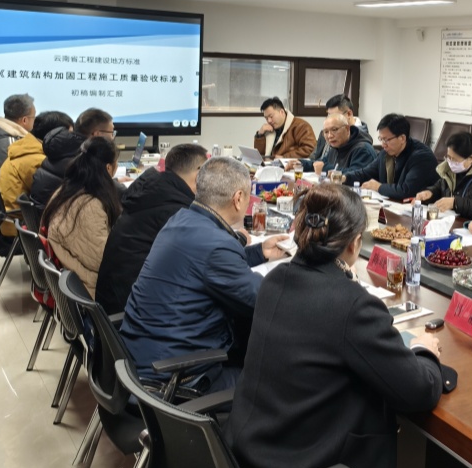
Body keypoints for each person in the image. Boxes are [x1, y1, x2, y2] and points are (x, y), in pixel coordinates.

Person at [223, 184, 444, 468]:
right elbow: (419, 391)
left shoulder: (275, 279)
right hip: (306, 465)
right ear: (355, 243)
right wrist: (425, 351)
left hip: (251, 454)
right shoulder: (353, 306)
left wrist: (346, 283)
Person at [119, 157, 290, 393]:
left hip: (142, 356)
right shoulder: (216, 245)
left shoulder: (181, 219)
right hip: (173, 377)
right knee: (279, 383)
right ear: (238, 198)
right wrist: (298, 278)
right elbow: (264, 299)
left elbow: (207, 265)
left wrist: (259, 252)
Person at [95, 143, 208, 315]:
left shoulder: (155, 193)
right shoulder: (174, 210)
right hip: (133, 313)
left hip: (117, 302)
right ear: (199, 174)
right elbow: (207, 257)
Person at [41, 137, 121, 298]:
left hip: (74, 283)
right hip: (91, 291)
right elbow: (104, 262)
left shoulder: (66, 191)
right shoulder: (89, 206)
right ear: (108, 168)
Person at [347, 113, 439, 200]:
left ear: (402, 138)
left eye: (386, 140)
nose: (383, 145)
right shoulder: (386, 153)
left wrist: (378, 187)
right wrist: (344, 178)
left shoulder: (421, 157)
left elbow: (406, 191)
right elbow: (365, 174)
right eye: (381, 139)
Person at [30, 107, 110, 206]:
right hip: (63, 213)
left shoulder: (55, 155)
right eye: (112, 133)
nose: (112, 138)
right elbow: (101, 191)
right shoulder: (81, 160)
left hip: (51, 212)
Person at [411, 131, 472, 217]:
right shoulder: (449, 171)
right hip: (448, 221)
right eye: (448, 157)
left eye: (455, 159)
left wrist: (455, 203)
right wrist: (430, 194)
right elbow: (439, 189)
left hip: (470, 225)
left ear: (471, 158)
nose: (450, 162)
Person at [0, 111, 73, 214]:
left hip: (19, 217)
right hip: (24, 220)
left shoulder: (24, 148)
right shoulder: (39, 161)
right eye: (69, 135)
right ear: (54, 136)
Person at [287, 113, 375, 179]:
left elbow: (357, 175)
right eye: (326, 132)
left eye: (334, 130)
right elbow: (321, 162)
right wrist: (301, 164)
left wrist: (324, 168)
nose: (330, 136)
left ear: (347, 129)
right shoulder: (337, 146)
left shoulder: (363, 149)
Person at [0, 94, 36, 172]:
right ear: (24, 120)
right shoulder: (13, 146)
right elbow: (27, 174)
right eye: (33, 117)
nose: (35, 120)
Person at [309, 94, 372, 162]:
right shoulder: (326, 132)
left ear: (349, 114)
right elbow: (315, 157)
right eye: (329, 115)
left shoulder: (360, 139)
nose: (330, 135)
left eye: (335, 116)